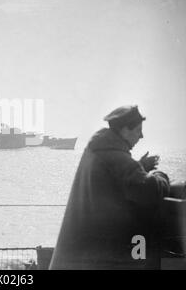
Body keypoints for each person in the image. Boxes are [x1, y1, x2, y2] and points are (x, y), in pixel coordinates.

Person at [49, 105, 170, 270]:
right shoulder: (115, 155)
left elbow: (113, 177)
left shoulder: (99, 149)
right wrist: (160, 176)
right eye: (138, 130)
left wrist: (140, 166)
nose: (141, 136)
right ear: (125, 130)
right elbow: (149, 189)